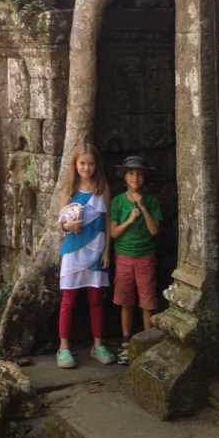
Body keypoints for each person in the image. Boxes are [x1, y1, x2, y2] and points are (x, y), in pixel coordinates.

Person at [57, 142, 116, 368]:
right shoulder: (69, 188)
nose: (86, 168)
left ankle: (98, 345)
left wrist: (107, 251)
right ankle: (63, 347)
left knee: (95, 299)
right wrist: (67, 227)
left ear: (96, 165)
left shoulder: (102, 188)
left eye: (91, 164)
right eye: (82, 163)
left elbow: (108, 219)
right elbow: (60, 222)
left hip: (97, 248)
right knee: (68, 300)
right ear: (75, 164)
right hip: (73, 249)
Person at [110, 155, 162, 365]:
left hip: (145, 257)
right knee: (125, 301)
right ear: (124, 177)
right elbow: (113, 233)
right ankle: (126, 342)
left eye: (140, 174)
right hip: (123, 256)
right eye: (131, 173)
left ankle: (147, 342)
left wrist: (143, 208)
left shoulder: (151, 201)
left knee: (147, 301)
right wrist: (130, 220)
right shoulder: (118, 201)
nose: (135, 178)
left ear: (145, 178)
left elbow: (154, 230)